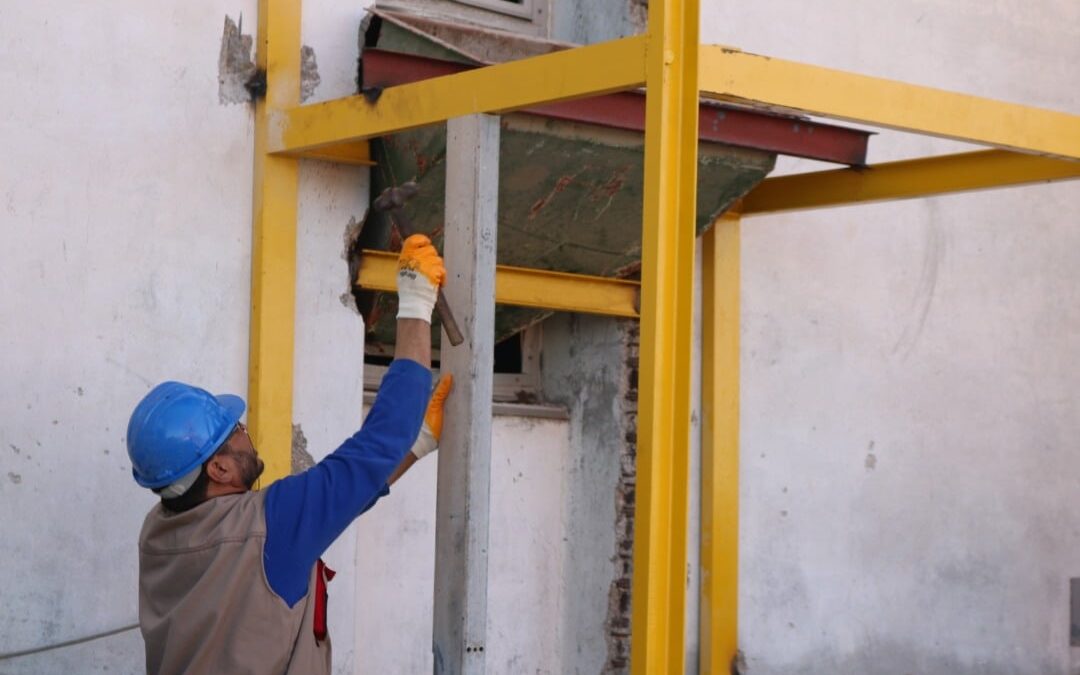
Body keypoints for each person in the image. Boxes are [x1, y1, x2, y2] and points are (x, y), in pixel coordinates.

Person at [125, 234, 452, 675]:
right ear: (218, 467)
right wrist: (415, 300)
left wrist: (416, 447)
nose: (245, 433)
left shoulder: (160, 532)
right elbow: (380, 440)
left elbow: (335, 502)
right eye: (234, 430)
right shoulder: (270, 525)